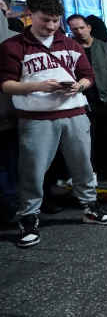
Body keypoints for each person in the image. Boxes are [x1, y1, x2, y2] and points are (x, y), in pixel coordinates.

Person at [0, 0, 107, 248]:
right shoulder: (12, 46)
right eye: (45, 20)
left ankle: (89, 207)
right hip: (36, 117)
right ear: (30, 15)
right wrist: (40, 85)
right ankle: (29, 217)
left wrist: (79, 85)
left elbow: (88, 75)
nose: (52, 26)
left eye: (56, 20)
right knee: (32, 169)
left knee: (83, 164)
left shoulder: (70, 44)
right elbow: (6, 84)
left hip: (75, 112)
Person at [67, 14, 107, 184]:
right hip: (81, 99)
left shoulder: (106, 47)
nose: (79, 31)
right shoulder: (70, 48)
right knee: (86, 137)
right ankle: (90, 170)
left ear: (89, 27)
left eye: (81, 27)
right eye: (75, 29)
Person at [0, 13, 19, 227]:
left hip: (14, 114)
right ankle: (10, 201)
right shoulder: (16, 41)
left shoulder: (16, 42)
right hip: (13, 113)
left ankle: (12, 201)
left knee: (13, 160)